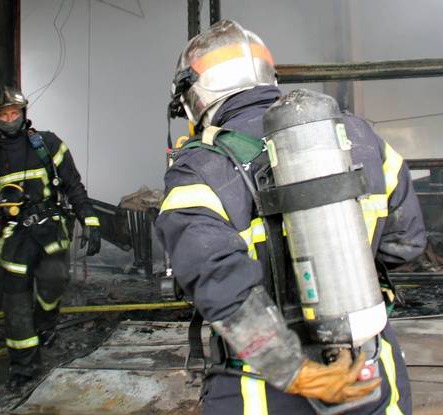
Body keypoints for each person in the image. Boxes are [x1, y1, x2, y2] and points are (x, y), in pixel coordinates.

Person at [155, 20, 426, 414]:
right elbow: (406, 244)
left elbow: (215, 276)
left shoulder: (199, 168)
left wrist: (294, 370)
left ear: (193, 95)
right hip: (367, 374)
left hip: (264, 389)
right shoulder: (362, 137)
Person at [0, 86, 101, 390]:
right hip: (12, 238)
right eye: (4, 115)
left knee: (55, 279)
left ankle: (46, 321)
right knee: (15, 306)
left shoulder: (47, 144)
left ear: (23, 113)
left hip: (49, 229)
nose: (10, 119)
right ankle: (24, 368)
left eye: (14, 113)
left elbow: (73, 185)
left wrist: (89, 220)